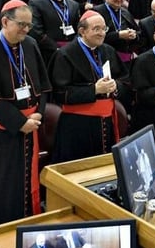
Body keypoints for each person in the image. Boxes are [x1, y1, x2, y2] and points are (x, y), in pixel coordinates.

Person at [0, 0, 51, 231]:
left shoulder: (30, 44)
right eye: (21, 25)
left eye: (29, 25)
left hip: (29, 126)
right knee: (1, 189)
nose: (25, 30)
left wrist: (38, 115)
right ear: (5, 21)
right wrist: (20, 122)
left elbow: (43, 88)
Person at [50, 11, 129, 163]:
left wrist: (116, 86)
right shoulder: (65, 54)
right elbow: (60, 93)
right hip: (77, 125)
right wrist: (95, 90)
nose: (101, 33)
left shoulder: (108, 50)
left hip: (107, 121)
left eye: (104, 29)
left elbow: (125, 80)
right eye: (96, 29)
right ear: (82, 31)